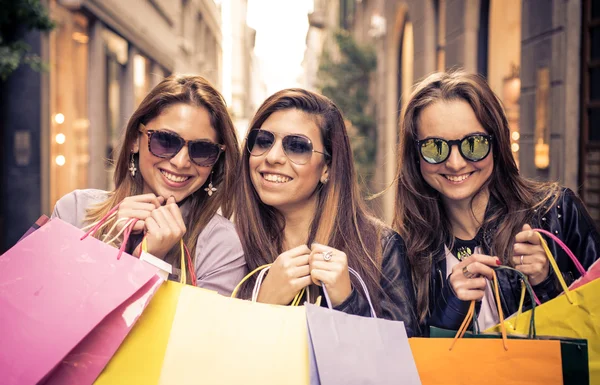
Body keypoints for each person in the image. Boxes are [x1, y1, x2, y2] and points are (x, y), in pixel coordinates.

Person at [393, 70, 600, 332]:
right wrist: (448, 313)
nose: (455, 163)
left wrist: (546, 282)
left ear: (497, 142)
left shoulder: (557, 212)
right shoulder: (406, 251)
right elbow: (409, 359)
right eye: (435, 147)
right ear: (415, 156)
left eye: (474, 144)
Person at [234, 88, 419, 336]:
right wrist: (263, 304)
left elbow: (404, 358)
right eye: (264, 141)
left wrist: (347, 301)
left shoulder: (378, 247)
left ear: (327, 168)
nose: (273, 156)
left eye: (297, 146)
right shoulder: (229, 244)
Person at [52, 74, 246, 295]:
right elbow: (45, 299)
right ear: (136, 139)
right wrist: (111, 243)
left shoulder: (222, 245)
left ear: (216, 160)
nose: (180, 162)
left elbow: (199, 330)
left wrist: (152, 260)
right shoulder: (75, 210)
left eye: (202, 150)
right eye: (165, 141)